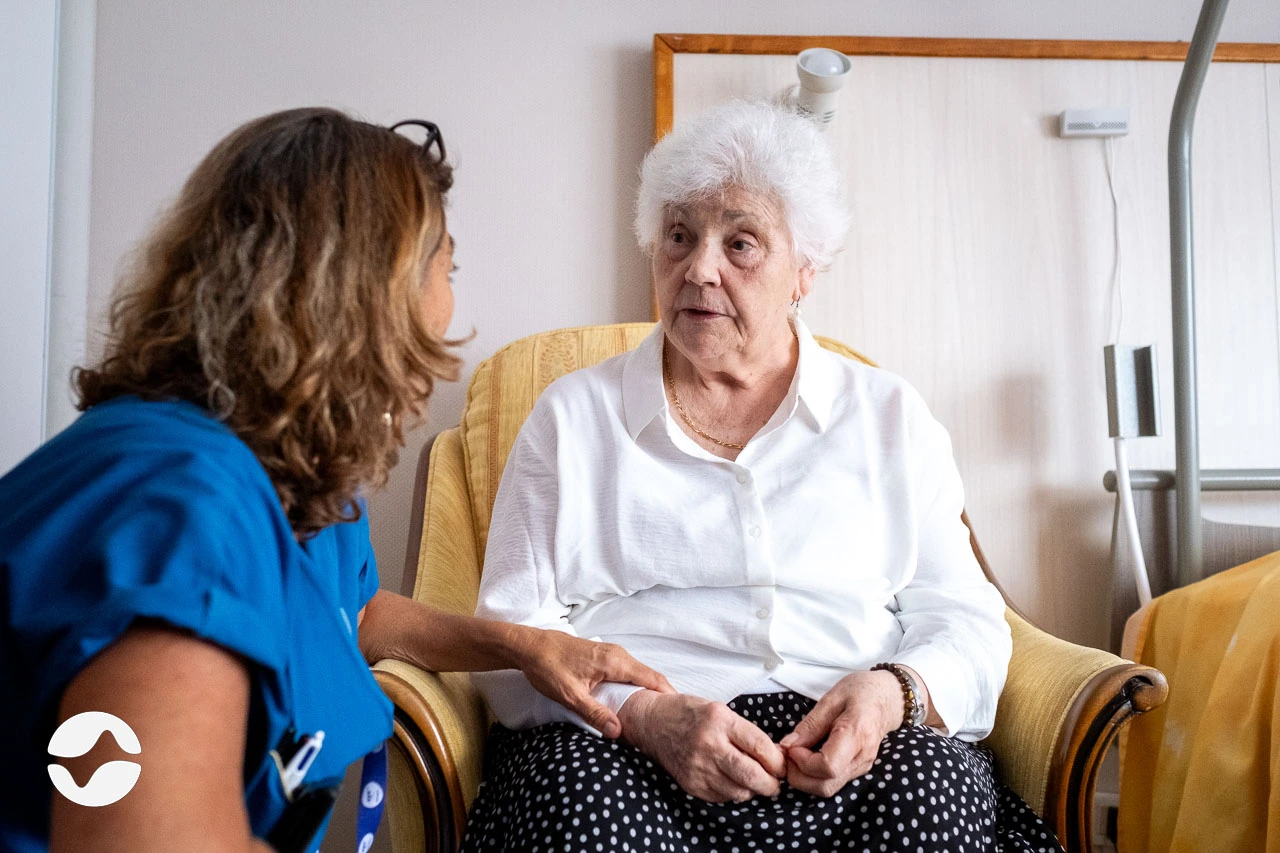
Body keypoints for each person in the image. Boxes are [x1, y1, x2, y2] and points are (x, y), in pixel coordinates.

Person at [0, 107, 670, 853]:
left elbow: (347, 611)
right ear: (366, 299)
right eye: (447, 266)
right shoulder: (185, 507)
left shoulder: (295, 479)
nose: (451, 308)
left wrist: (523, 646)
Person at [463, 101, 1063, 852]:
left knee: (931, 799)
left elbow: (968, 619)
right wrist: (644, 715)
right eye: (678, 236)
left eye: (740, 242)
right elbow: (509, 641)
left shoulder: (887, 417)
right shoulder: (572, 421)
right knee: (573, 806)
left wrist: (891, 694)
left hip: (849, 752)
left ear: (805, 271)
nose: (699, 268)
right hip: (627, 747)